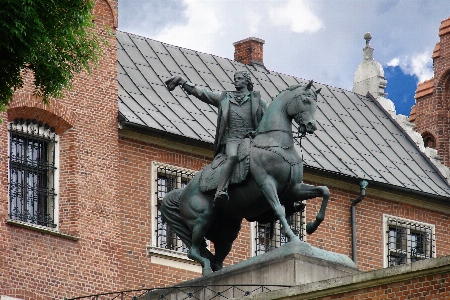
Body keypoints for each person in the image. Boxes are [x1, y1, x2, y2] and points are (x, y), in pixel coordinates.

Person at [166, 71, 268, 206]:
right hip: (232, 138)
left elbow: (267, 121)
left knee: (268, 159)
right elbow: (203, 94)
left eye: (239, 79)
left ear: (247, 82)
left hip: (250, 139)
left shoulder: (258, 101)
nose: (236, 81)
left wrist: (258, 132)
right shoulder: (225, 98)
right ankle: (221, 189)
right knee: (232, 157)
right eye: (235, 78)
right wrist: (183, 82)